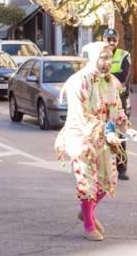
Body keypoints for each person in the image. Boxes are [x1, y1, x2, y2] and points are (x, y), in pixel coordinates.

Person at [54, 42, 128, 241]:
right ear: (93, 58)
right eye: (103, 58)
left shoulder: (112, 82)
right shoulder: (79, 81)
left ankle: (87, 210)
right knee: (87, 182)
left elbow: (118, 109)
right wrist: (106, 131)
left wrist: (126, 128)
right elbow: (81, 116)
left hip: (103, 138)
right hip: (81, 137)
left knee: (109, 179)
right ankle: (88, 223)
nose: (106, 63)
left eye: (109, 58)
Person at [104, 28, 132, 181]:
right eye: (109, 39)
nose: (111, 42)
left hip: (120, 101)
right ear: (104, 40)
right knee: (102, 134)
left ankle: (122, 168)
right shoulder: (99, 54)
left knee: (121, 135)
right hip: (102, 101)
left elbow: (124, 76)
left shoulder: (124, 55)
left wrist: (108, 78)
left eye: (114, 39)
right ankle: (103, 167)